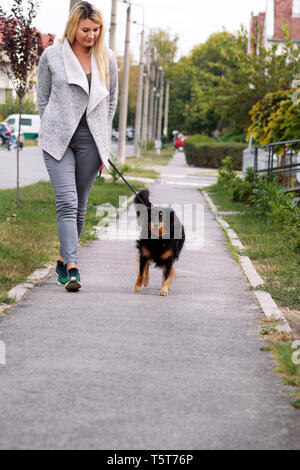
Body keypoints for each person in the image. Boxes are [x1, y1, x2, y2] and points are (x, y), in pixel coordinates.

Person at [36, 1, 118, 292]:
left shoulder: (106, 58)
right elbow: (42, 97)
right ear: (73, 27)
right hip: (57, 140)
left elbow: (111, 101)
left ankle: (62, 259)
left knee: (80, 208)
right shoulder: (52, 56)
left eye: (96, 30)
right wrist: (51, 127)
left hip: (91, 142)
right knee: (67, 203)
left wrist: (101, 134)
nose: (91, 36)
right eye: (86, 29)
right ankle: (72, 268)